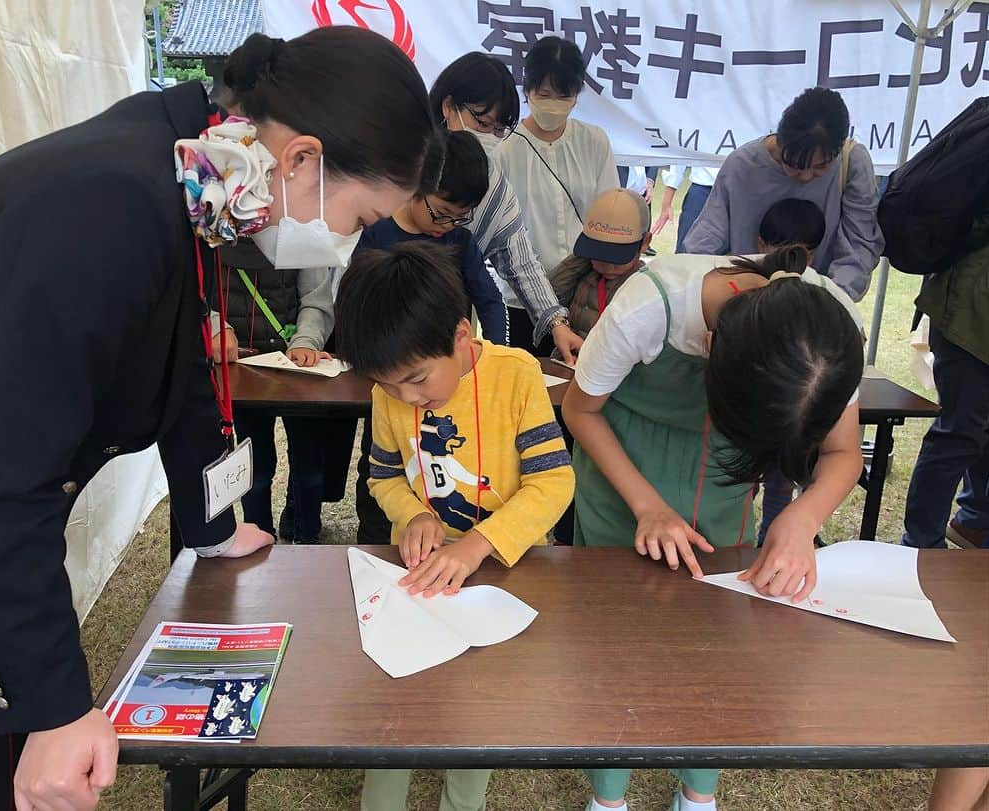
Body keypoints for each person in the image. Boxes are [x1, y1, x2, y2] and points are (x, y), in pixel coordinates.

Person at [0, 26, 440, 811]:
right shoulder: (111, 203)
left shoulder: (187, 170)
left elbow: (189, 361)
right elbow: (2, 481)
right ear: (299, 159)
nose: (344, 244)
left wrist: (211, 522)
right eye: (359, 218)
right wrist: (53, 708)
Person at [562, 246, 864, 811]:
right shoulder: (649, 307)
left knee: (718, 646)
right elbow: (581, 410)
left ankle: (698, 792)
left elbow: (844, 452)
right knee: (614, 647)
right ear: (709, 351)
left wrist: (801, 518)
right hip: (623, 479)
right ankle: (608, 797)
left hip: (721, 498)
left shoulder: (828, 330)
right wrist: (647, 506)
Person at [332, 241, 574, 811]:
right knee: (400, 701)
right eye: (389, 386)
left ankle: (462, 800)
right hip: (418, 576)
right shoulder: (387, 395)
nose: (405, 398)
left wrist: (477, 547)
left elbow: (553, 483)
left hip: (505, 574)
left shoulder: (516, 377)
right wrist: (412, 512)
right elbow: (383, 478)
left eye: (417, 380)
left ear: (462, 338)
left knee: (479, 705)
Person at [351, 129, 507, 544]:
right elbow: (357, 309)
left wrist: (493, 358)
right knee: (386, 464)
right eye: (440, 213)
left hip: (449, 379)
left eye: (461, 217)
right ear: (416, 188)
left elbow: (490, 301)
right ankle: (374, 535)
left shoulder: (460, 241)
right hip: (396, 377)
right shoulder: (378, 235)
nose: (448, 226)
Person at [431, 52, 583, 363]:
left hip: (444, 330)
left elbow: (519, 263)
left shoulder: (491, 184)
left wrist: (556, 323)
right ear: (448, 106)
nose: (489, 137)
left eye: (499, 130)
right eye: (482, 122)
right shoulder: (400, 169)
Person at [683, 86, 884, 300]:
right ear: (781, 139)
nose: (806, 176)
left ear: (839, 147)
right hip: (745, 302)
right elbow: (703, 245)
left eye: (821, 166)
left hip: (818, 303)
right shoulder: (743, 165)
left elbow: (858, 247)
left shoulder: (852, 162)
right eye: (795, 164)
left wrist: (829, 301)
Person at [496, 35, 620, 347]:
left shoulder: (593, 142)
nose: (552, 104)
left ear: (577, 95)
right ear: (528, 89)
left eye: (563, 96)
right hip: (522, 299)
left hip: (584, 295)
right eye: (544, 94)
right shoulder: (505, 150)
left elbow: (610, 211)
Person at [211, 237, 335, 543]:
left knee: (309, 467)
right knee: (256, 468)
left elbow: (316, 299)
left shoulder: (303, 231)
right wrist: (217, 327)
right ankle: (259, 538)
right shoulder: (209, 232)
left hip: (296, 369)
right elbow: (196, 293)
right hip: (241, 374)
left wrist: (307, 340)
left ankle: (309, 542)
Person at [901, 204, 989, 549]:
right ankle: (921, 545)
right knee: (960, 432)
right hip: (972, 314)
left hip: (971, 304)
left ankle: (975, 521)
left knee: (971, 428)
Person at [751, 198, 828, 545]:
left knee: (781, 488)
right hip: (747, 418)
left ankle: (773, 544)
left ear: (812, 257)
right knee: (740, 486)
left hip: (791, 420)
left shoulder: (823, 299)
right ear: (760, 245)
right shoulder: (745, 289)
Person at [550, 188, 652, 338]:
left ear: (645, 242)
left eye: (617, 256)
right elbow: (551, 297)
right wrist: (583, 257)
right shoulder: (586, 272)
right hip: (568, 358)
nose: (607, 265)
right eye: (599, 253)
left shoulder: (643, 287)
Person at [651, 164, 719, 254]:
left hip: (737, 189)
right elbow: (678, 164)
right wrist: (666, 205)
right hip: (700, 189)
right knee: (685, 248)